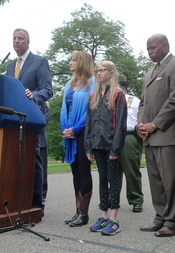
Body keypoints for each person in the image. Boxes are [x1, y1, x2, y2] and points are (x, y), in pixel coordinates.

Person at [137, 34, 175, 237]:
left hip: (169, 134)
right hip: (150, 136)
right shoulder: (150, 72)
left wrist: (155, 124)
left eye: (153, 47)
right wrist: (142, 125)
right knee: (156, 181)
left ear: (166, 45)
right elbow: (143, 103)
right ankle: (160, 218)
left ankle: (173, 222)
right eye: (147, 48)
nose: (150, 51)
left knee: (171, 181)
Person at [5, 28, 53, 211]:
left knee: (34, 160)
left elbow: (48, 90)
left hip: (31, 118)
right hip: (12, 120)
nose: (16, 41)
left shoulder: (39, 62)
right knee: (14, 161)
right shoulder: (10, 66)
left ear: (27, 42)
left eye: (20, 38)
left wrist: (32, 95)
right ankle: (18, 201)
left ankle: (36, 204)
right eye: (14, 38)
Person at [85, 61, 127, 236]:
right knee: (102, 179)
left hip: (111, 145)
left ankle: (114, 219)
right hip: (97, 145)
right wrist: (88, 146)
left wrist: (115, 148)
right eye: (97, 70)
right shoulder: (93, 97)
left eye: (102, 70)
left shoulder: (117, 95)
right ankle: (103, 216)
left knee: (113, 180)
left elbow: (121, 126)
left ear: (111, 73)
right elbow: (89, 123)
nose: (99, 73)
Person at [61, 51, 95, 227]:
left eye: (73, 60)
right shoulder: (69, 84)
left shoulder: (92, 83)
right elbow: (63, 109)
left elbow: (91, 110)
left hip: (83, 133)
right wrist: (65, 129)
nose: (70, 62)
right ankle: (77, 211)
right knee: (75, 171)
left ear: (82, 62)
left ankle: (84, 213)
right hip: (70, 134)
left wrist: (75, 129)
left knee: (83, 170)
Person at [117, 74, 144, 213]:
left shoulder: (134, 101)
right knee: (113, 171)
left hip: (128, 136)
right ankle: (112, 199)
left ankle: (136, 199)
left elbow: (142, 117)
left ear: (123, 87)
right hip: (112, 137)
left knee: (131, 170)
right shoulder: (108, 101)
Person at [41, 101, 51, 203]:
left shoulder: (44, 103)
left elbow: (44, 121)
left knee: (42, 171)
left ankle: (41, 197)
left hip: (40, 142)